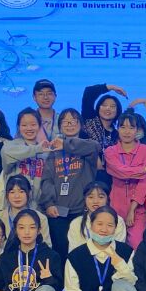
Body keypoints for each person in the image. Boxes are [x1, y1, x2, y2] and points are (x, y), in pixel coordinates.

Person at [37, 206, 139, 291]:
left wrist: (120, 264)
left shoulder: (126, 251)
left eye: (110, 225)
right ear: (91, 225)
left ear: (115, 228)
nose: (104, 229)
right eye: (99, 224)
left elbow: (131, 284)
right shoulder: (75, 256)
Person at [39, 107, 103, 250]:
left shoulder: (88, 147)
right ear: (60, 126)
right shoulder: (54, 152)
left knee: (82, 251)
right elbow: (47, 180)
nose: (69, 125)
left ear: (80, 124)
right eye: (65, 122)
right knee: (60, 251)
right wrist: (49, 203)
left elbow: (95, 147)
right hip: (58, 212)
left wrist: (65, 144)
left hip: (83, 211)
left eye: (73, 121)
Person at [105, 110, 146, 246]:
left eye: (131, 128)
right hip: (115, 205)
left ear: (137, 130)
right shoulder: (110, 151)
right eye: (123, 127)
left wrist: (132, 208)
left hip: (138, 207)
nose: (127, 132)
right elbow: (122, 172)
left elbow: (144, 182)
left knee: (136, 243)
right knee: (113, 244)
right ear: (117, 128)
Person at [66, 182, 127, 251]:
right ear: (85, 200)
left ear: (107, 199)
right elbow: (73, 252)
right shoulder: (76, 223)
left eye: (101, 197)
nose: (95, 201)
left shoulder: (118, 221)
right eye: (91, 197)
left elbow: (119, 249)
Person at [10, 109, 48, 206]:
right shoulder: (10, 147)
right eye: (24, 125)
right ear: (18, 127)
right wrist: (38, 149)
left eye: (33, 124)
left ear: (39, 126)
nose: (29, 128)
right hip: (15, 204)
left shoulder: (45, 153)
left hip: (39, 207)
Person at [81, 82, 127, 150]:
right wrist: (112, 87)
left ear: (118, 111)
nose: (108, 108)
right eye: (104, 105)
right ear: (98, 108)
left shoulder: (117, 135)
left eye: (112, 106)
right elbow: (89, 92)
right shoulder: (89, 118)